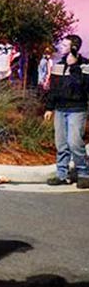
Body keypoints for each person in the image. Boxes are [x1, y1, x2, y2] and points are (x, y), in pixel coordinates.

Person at [44, 34, 89, 189]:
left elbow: (83, 87)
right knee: (61, 144)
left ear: (74, 47)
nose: (60, 47)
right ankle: (61, 174)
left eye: (64, 45)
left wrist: (74, 67)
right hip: (60, 109)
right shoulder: (58, 65)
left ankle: (83, 173)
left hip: (77, 109)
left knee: (75, 142)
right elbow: (53, 89)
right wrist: (49, 107)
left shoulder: (85, 66)